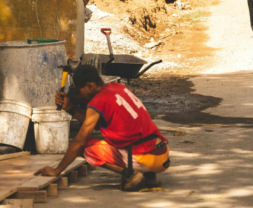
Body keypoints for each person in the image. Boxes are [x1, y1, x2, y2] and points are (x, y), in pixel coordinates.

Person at [34, 64, 170, 192]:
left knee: (85, 147)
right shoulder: (118, 87)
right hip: (161, 154)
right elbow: (94, 122)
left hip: (143, 158)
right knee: (135, 136)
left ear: (90, 85)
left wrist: (57, 170)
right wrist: (70, 108)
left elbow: (79, 141)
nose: (78, 96)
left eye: (79, 92)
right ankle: (150, 177)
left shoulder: (98, 101)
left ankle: (130, 174)